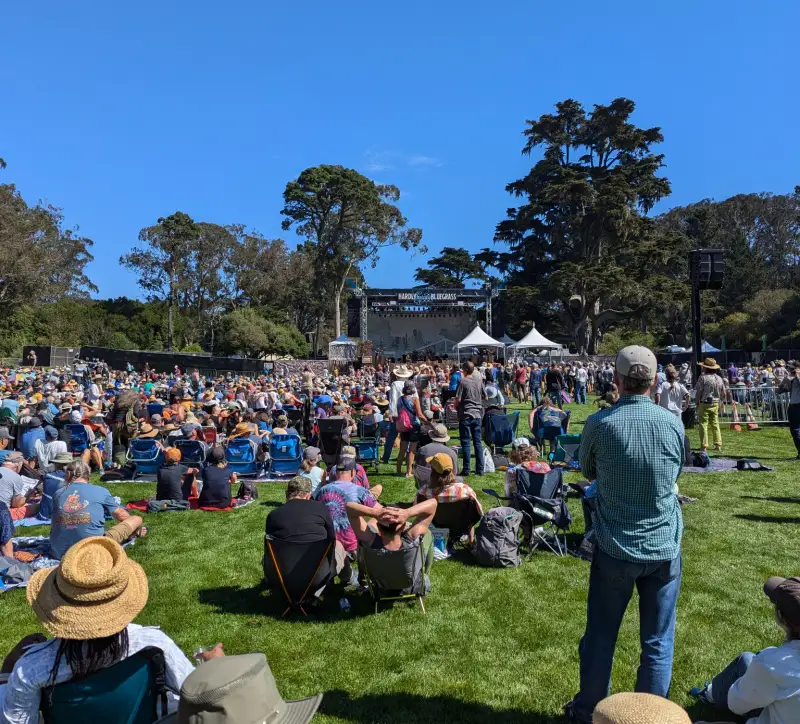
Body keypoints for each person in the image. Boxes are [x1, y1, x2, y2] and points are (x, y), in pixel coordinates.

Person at [566, 346, 685, 724]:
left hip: (616, 546)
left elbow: (587, 468)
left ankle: (588, 712)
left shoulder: (600, 423)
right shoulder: (672, 423)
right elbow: (676, 472)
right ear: (653, 382)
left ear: (616, 380)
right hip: (663, 544)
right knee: (657, 643)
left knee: (600, 638)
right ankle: (652, 718)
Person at [0, 537, 221, 720]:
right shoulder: (153, 643)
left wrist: (7, 671)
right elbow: (196, 698)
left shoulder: (31, 669)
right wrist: (217, 667)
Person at [690, 576, 800, 724]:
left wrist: (756, 670)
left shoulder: (773, 663)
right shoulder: (776, 661)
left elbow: (736, 705)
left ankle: (710, 694)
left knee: (746, 659)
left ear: (781, 617)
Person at [265, 475, 351, 585]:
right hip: (318, 575)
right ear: (308, 495)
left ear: (287, 494)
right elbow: (331, 539)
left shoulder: (273, 515)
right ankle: (348, 579)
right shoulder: (321, 508)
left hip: (282, 575)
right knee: (339, 545)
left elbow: (270, 547)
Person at [50, 460, 143, 560]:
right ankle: (136, 531)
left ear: (67, 475)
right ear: (88, 475)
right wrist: (134, 528)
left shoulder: (57, 494)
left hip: (60, 553)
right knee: (136, 519)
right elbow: (120, 514)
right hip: (93, 551)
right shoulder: (100, 491)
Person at [347, 497, 437, 590]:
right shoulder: (412, 539)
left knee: (369, 525)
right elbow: (433, 503)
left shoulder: (370, 541)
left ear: (379, 527)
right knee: (428, 534)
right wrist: (407, 513)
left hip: (380, 587)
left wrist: (375, 513)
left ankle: (363, 581)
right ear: (402, 527)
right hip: (411, 586)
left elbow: (349, 507)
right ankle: (426, 573)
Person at [416, 453, 482, 544]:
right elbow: (476, 512)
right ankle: (471, 541)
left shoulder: (424, 492)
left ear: (433, 471)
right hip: (460, 526)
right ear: (451, 470)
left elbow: (417, 509)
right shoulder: (465, 491)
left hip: (436, 525)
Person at [313, 466, 378, 555]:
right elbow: (380, 510)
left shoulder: (322, 491)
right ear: (353, 473)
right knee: (375, 520)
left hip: (329, 544)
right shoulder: (359, 490)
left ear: (335, 473)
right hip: (353, 546)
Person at [455, 360, 486, 477]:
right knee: (477, 442)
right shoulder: (479, 381)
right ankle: (480, 469)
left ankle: (467, 469)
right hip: (477, 414)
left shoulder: (462, 382)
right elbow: (486, 397)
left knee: (466, 442)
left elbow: (457, 399)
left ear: (465, 370)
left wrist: (456, 406)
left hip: (465, 414)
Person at [695, 357, 729, 452]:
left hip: (704, 403)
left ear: (705, 368)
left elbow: (698, 391)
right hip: (715, 403)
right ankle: (718, 445)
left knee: (703, 424)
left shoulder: (703, 378)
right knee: (715, 424)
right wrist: (721, 402)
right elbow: (724, 393)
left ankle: (704, 446)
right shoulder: (719, 378)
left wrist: (697, 402)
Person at [395, 381, 425, 478]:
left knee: (402, 449)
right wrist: (427, 422)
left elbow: (399, 412)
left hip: (404, 426)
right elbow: (419, 414)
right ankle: (408, 472)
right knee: (412, 450)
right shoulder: (414, 399)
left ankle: (398, 470)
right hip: (414, 426)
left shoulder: (399, 400)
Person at [0, 452, 40, 520]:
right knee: (36, 507)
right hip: (3, 513)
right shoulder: (16, 477)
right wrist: (28, 494)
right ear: (18, 465)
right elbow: (16, 505)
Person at [38, 452, 72, 522]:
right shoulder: (74, 480)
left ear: (56, 464)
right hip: (65, 516)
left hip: (45, 514)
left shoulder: (47, 476)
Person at [779, 362, 800, 459]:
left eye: (792, 369)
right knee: (794, 430)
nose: (790, 370)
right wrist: (786, 378)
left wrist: (798, 376)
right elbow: (780, 390)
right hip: (793, 406)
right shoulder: (792, 379)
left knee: (796, 430)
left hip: (798, 406)